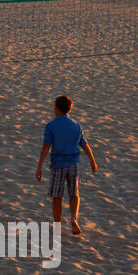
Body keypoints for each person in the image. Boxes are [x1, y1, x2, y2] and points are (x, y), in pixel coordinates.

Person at [35, 95, 98, 236]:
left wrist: (39, 166)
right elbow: (84, 144)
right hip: (73, 164)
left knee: (57, 196)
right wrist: (92, 160)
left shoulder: (51, 126)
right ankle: (74, 218)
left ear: (56, 108)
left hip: (58, 164)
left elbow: (46, 146)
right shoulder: (76, 125)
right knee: (74, 193)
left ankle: (57, 225)